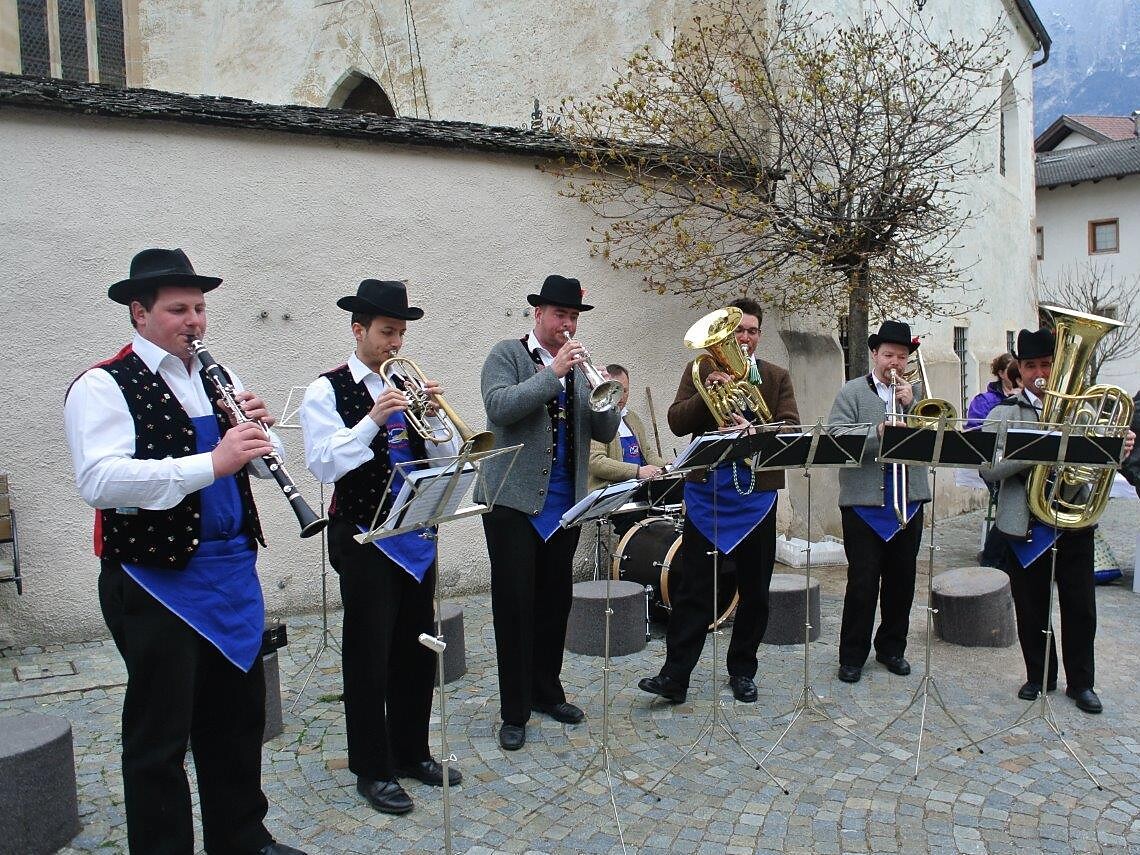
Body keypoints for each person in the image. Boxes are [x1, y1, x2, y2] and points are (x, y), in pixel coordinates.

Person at [63, 248, 305, 855]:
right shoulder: (103, 384)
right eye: (178, 310)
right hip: (154, 579)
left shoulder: (218, 378)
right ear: (139, 314)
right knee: (160, 738)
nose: (194, 321)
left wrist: (261, 433)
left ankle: (242, 837)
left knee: (236, 720)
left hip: (230, 574)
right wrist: (212, 462)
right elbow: (100, 479)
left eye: (199, 308)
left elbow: (263, 458)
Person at [300, 279, 462, 814]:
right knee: (368, 657)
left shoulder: (410, 387)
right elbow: (324, 463)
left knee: (418, 648)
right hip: (364, 538)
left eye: (401, 332)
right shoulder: (327, 389)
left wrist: (436, 420)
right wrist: (373, 419)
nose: (396, 343)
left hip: (415, 533)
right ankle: (371, 767)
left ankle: (413, 750)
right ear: (359, 330)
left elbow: (446, 459)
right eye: (387, 332)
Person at [477, 275, 620, 750]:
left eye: (574, 317)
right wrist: (553, 372)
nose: (568, 325)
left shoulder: (581, 367)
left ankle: (546, 691)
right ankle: (513, 710)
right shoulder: (507, 355)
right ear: (537, 314)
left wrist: (609, 395)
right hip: (513, 505)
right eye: (560, 315)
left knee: (554, 604)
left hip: (565, 506)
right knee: (515, 608)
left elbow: (601, 428)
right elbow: (500, 408)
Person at [637, 297, 799, 705]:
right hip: (707, 495)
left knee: (755, 591)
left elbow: (791, 430)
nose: (743, 338)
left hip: (756, 499)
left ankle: (742, 670)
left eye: (750, 331)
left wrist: (757, 426)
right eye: (737, 331)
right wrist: (706, 395)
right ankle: (675, 675)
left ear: (759, 335)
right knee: (692, 590)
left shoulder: (776, 377)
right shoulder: (701, 371)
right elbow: (676, 421)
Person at [980, 327, 1135, 714]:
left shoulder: (1085, 409)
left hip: (1073, 520)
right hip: (1027, 523)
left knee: (1080, 607)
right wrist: (1041, 443)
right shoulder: (1005, 413)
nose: (1040, 374)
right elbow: (989, 469)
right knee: (1031, 606)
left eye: (1047, 365)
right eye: (1030, 366)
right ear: (1019, 370)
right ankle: (1039, 676)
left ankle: (1081, 683)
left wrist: (1117, 448)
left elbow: (1098, 467)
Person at [828, 320, 931, 684]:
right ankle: (852, 656)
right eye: (888, 355)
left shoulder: (917, 395)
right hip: (864, 502)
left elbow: (937, 437)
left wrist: (912, 406)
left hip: (909, 498)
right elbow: (836, 435)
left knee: (902, 581)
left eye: (901, 357)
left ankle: (892, 648)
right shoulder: (853, 392)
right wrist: (876, 431)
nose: (895, 363)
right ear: (874, 354)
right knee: (863, 582)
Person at [587, 364, 671, 533]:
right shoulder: (595, 418)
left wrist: (669, 467)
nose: (623, 396)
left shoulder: (631, 417)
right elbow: (596, 462)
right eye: (618, 390)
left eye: (626, 390)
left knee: (675, 498)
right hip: (612, 493)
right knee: (642, 523)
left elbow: (646, 453)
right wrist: (638, 471)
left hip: (638, 488)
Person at [967, 353, 1021, 567]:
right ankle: (994, 558)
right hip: (997, 463)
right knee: (1006, 505)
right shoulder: (987, 401)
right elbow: (975, 431)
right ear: (1002, 374)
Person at [965, 352, 1020, 428]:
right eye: (1011, 370)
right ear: (1001, 374)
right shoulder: (983, 401)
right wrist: (1009, 400)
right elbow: (975, 431)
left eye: (1019, 371)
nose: (1016, 374)